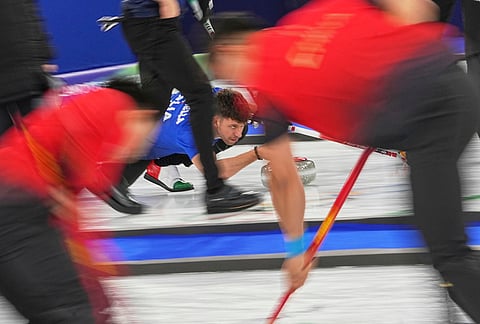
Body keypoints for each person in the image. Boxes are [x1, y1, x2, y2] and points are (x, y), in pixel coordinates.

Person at [207, 3, 480, 322]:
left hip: (430, 121)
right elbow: (409, 8)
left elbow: (283, 177)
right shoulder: (313, 15)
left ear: (228, 50)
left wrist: (295, 251)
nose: (239, 84)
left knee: (449, 254)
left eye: (229, 75)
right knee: (439, 235)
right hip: (450, 93)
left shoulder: (266, 87)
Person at [0, 78, 160, 323]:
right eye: (147, 136)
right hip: (16, 201)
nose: (141, 148)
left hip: (22, 206)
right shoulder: (112, 103)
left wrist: (97, 275)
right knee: (72, 309)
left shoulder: (93, 146)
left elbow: (72, 220)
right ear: (141, 116)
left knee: (65, 308)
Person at [113, 0, 260, 215]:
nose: (237, 133)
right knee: (200, 95)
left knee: (156, 105)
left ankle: (115, 180)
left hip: (143, 22)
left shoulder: (220, 104)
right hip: (156, 22)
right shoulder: (188, 132)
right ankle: (215, 189)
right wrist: (169, 10)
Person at [111, 88, 263, 213]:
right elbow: (216, 173)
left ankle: (164, 161)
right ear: (216, 121)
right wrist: (256, 153)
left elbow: (238, 104)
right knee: (111, 185)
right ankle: (158, 164)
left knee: (237, 132)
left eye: (240, 125)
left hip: (146, 122)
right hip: (130, 146)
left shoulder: (213, 96)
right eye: (233, 126)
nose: (237, 132)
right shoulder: (190, 134)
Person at [0, 0, 57, 135]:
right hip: (29, 76)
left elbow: (31, 19)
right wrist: (44, 56)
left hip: (28, 76)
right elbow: (32, 19)